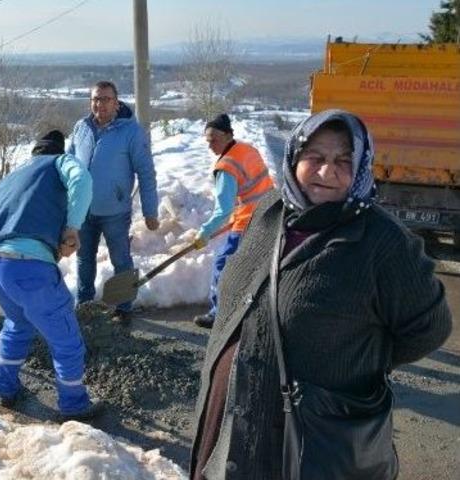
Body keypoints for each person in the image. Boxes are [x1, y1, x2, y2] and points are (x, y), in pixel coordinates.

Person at [189, 110, 452, 479]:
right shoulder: (270, 212)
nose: (328, 172)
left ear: (362, 165)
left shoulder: (384, 243)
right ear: (295, 158)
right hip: (232, 421)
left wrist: (357, 357)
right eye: (316, 157)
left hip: (313, 441)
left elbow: (430, 328)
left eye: (344, 161)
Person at [0, 130, 102, 420]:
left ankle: (5, 390)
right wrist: (72, 226)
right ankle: (74, 404)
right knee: (66, 339)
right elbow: (82, 179)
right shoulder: (59, 162)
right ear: (56, 151)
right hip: (28, 265)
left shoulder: (12, 175)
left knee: (17, 323)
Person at [67, 80, 159, 324]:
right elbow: (68, 165)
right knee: (84, 259)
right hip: (83, 211)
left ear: (117, 103)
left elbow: (146, 172)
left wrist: (151, 211)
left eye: (106, 99)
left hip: (115, 210)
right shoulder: (81, 128)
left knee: (120, 259)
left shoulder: (131, 131)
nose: (101, 104)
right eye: (96, 99)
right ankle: (84, 305)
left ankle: (124, 307)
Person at [192, 113, 273, 329]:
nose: (210, 145)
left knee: (223, 264)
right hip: (269, 214)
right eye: (207, 140)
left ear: (228, 135)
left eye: (215, 139)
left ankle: (218, 313)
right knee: (256, 267)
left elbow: (223, 210)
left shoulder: (226, 167)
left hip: (248, 222)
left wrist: (205, 232)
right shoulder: (247, 149)